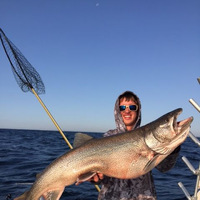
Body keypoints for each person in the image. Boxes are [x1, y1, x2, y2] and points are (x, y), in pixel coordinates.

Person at [92, 91, 180, 200]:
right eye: (123, 107)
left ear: (138, 110)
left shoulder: (149, 135)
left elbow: (164, 167)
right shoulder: (108, 137)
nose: (127, 111)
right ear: (118, 111)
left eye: (132, 107)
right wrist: (95, 178)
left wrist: (173, 145)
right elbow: (102, 176)